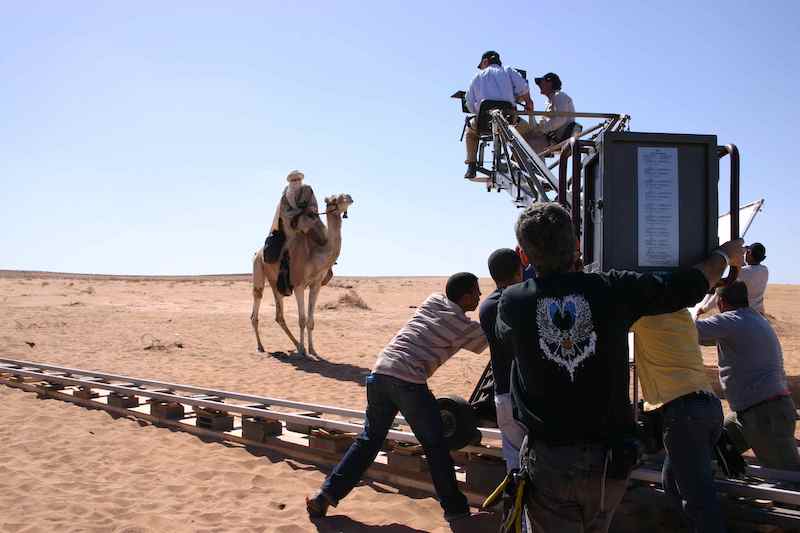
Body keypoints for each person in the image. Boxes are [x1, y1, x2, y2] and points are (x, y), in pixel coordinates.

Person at [496, 202, 743, 533]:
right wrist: (725, 256)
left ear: (523, 256)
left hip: (551, 461)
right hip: (610, 462)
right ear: (577, 246)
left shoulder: (512, 303)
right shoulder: (612, 289)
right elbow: (688, 285)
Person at [306, 273, 488, 523]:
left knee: (369, 441)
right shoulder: (462, 327)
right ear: (466, 297)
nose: (480, 297)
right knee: (436, 446)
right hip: (408, 381)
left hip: (379, 373)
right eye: (477, 293)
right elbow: (489, 341)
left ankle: (325, 495)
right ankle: (456, 511)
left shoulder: (432, 300)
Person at [631, 310, 726, 532]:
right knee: (672, 482)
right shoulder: (683, 315)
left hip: (684, 412)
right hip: (708, 406)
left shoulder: (643, 317)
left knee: (698, 500)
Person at [696, 282, 799, 470]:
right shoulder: (753, 319)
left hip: (765, 414)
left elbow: (688, 331)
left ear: (720, 303)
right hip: (753, 410)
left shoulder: (730, 321)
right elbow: (703, 337)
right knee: (714, 447)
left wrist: (691, 309)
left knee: (789, 479)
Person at [479, 249, 527, 472]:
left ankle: (513, 505)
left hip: (504, 394)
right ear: (520, 268)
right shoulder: (524, 300)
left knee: (515, 465)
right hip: (528, 395)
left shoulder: (487, 306)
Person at [464, 51, 534, 179]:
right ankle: (517, 162)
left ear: (485, 62)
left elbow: (468, 101)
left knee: (471, 133)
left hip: (484, 123)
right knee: (529, 132)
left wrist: (478, 113)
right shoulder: (508, 71)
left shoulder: (478, 77)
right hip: (509, 122)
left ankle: (471, 165)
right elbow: (523, 87)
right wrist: (529, 102)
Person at [264, 170, 329, 295]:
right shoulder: (285, 197)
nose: (296, 182)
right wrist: (298, 216)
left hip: (308, 222)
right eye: (294, 180)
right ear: (290, 182)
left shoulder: (308, 191)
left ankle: (327, 267)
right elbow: (285, 213)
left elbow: (313, 205)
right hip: (291, 227)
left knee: (324, 236)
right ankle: (288, 280)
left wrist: (309, 212)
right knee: (286, 250)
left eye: (298, 179)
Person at [696, 242, 768, 316]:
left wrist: (704, 308)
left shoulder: (741, 273)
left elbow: (721, 291)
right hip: (759, 314)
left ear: (749, 253)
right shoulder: (765, 270)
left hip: (744, 315)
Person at [524, 72, 576, 154]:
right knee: (523, 140)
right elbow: (537, 127)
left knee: (529, 144)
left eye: (541, 82)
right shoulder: (549, 103)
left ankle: (535, 166)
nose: (539, 85)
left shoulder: (559, 96)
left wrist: (539, 131)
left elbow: (560, 119)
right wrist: (531, 113)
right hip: (550, 138)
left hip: (558, 138)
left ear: (549, 83)